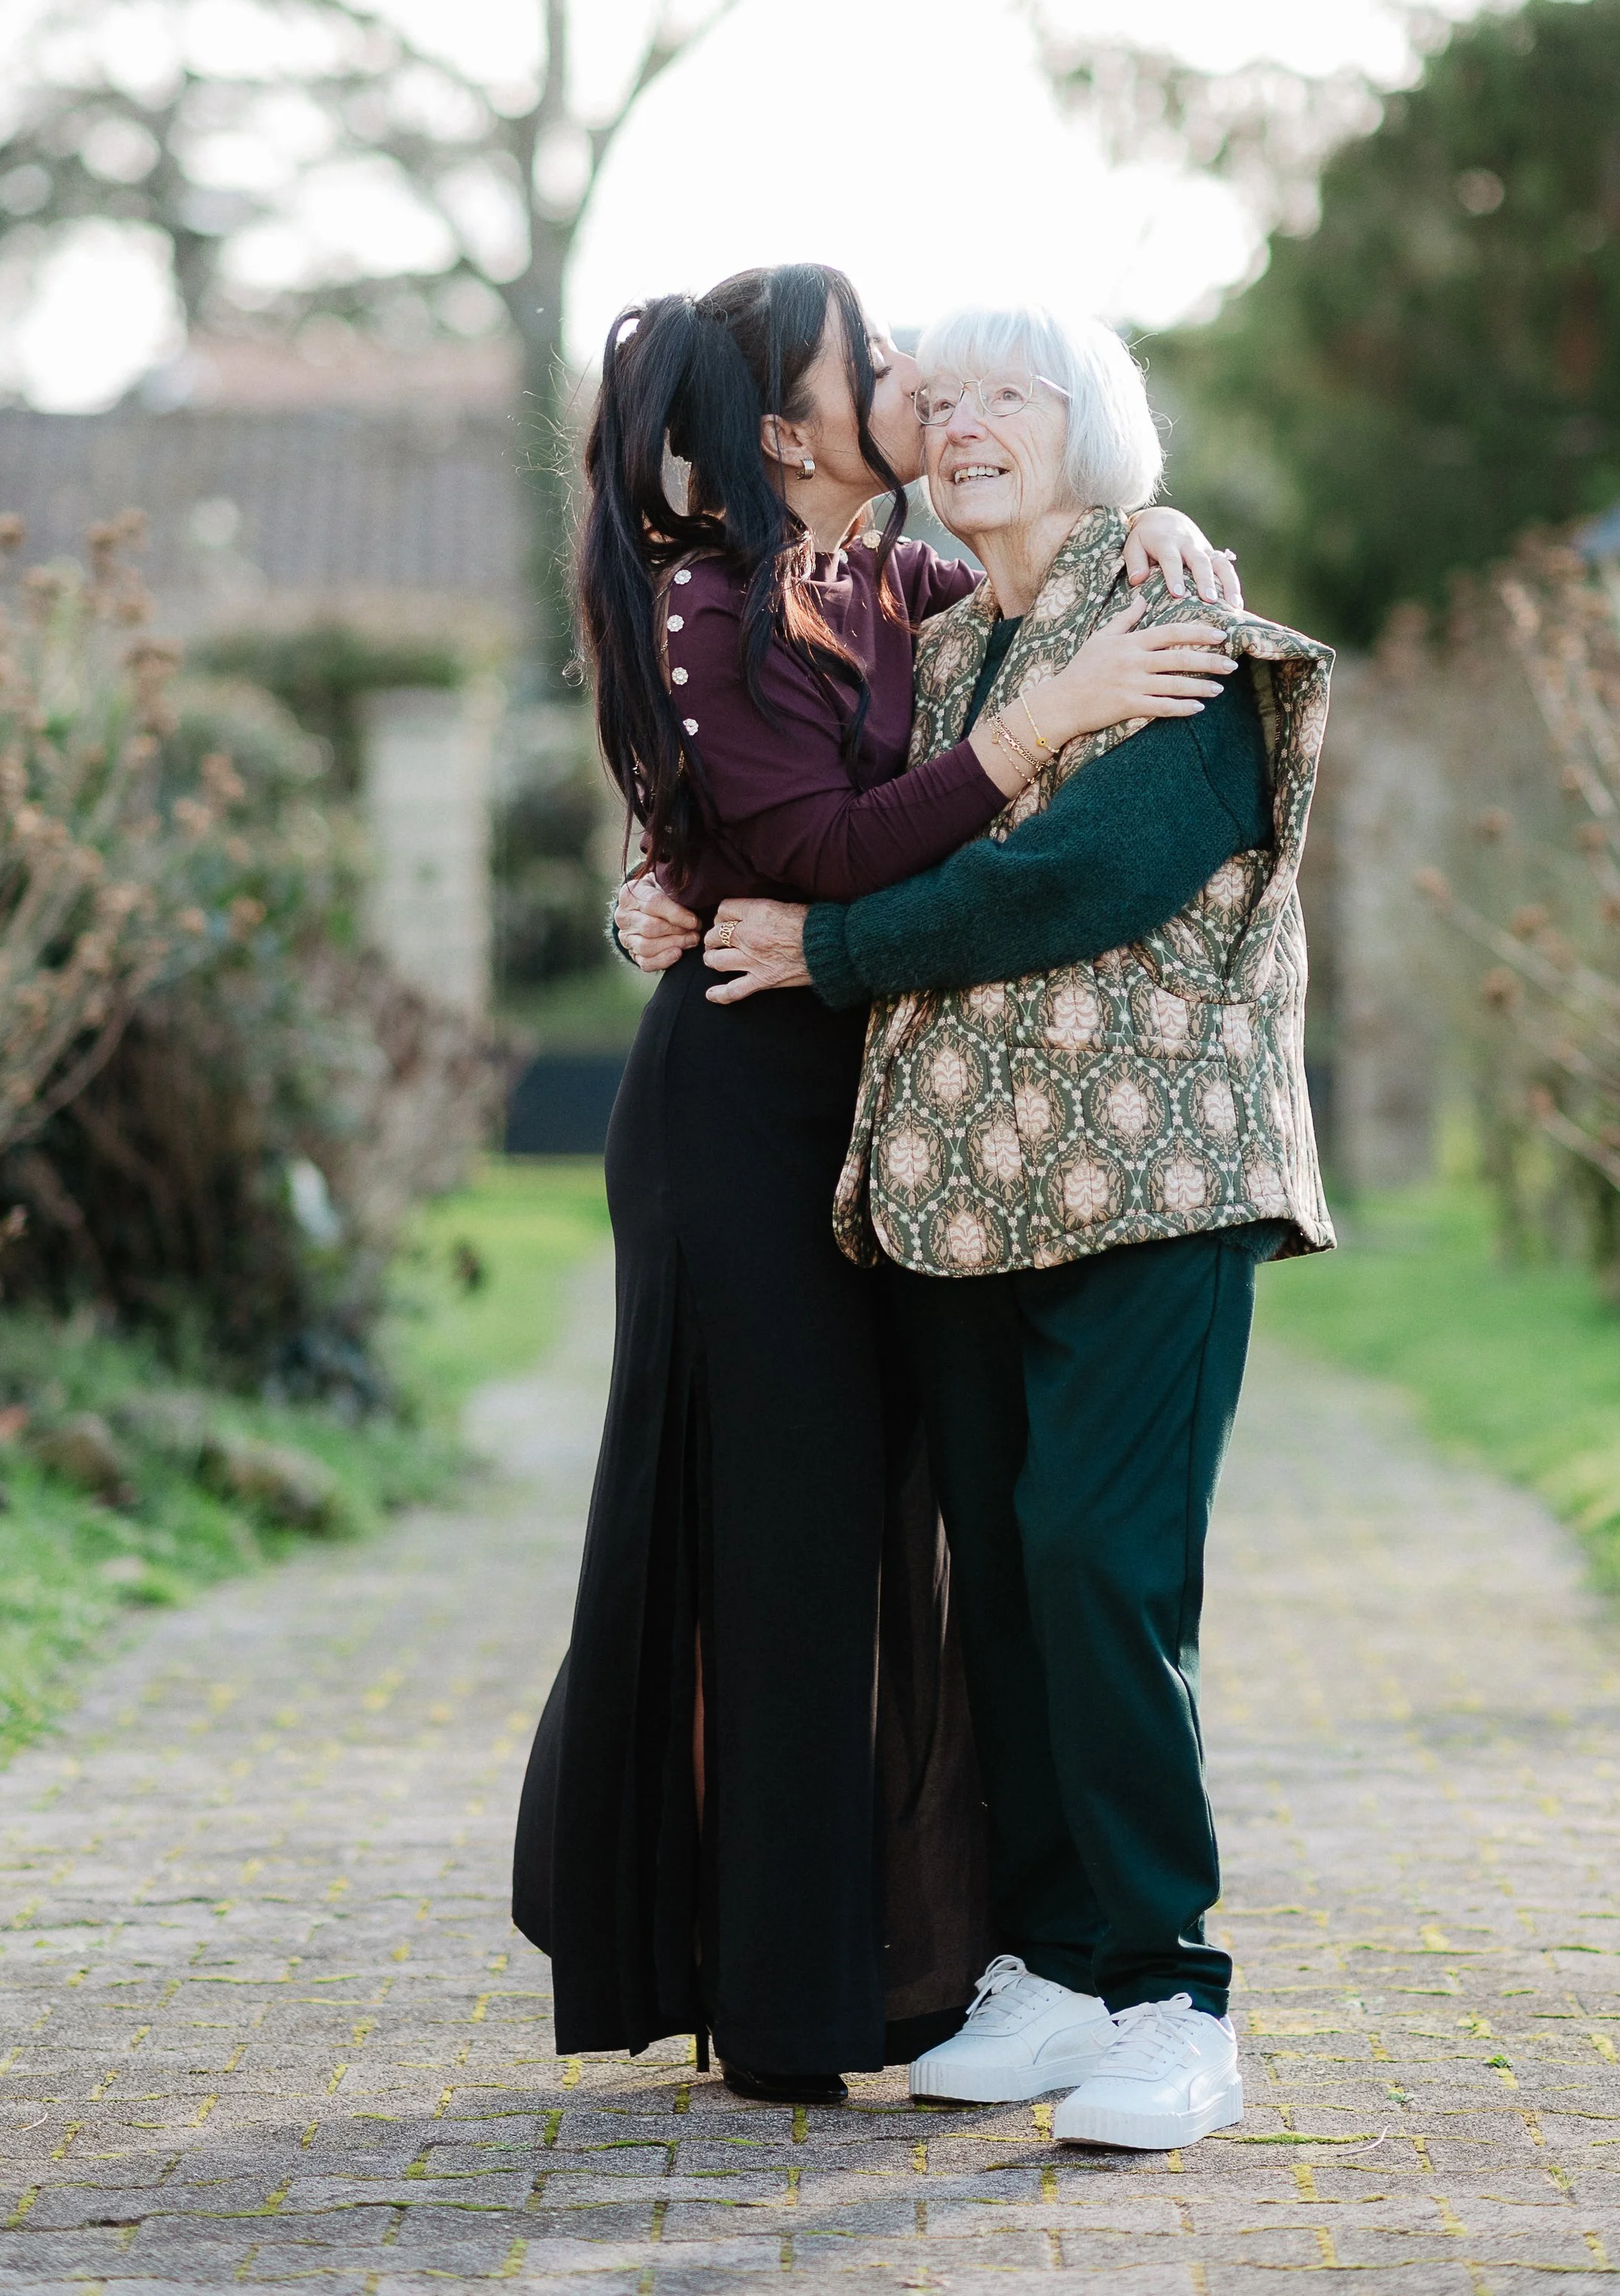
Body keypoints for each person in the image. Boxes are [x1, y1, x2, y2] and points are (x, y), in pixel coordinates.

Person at [510, 264, 1241, 2107]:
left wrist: (1151, 511)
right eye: (891, 374)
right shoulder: (714, 600)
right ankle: (787, 1990)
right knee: (800, 1545)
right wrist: (669, 881)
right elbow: (800, 837)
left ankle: (1034, 1968)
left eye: (965, 381)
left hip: (923, 1131)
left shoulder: (924, 589)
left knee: (951, 1539)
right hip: (758, 1121)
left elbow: (1013, 680)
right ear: (789, 432)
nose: (926, 397)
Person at [652, 303, 1334, 2150]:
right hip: (957, 1201)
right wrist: (689, 881)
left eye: (1006, 396)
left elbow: (1082, 872)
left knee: (1098, 1564)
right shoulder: (939, 642)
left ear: (1094, 430)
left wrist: (837, 946)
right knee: (1008, 1587)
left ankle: (1171, 1992)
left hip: (1154, 1184)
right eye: (935, 399)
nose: (959, 424)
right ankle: (1047, 1965)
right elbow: (839, 820)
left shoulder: (1175, 615)